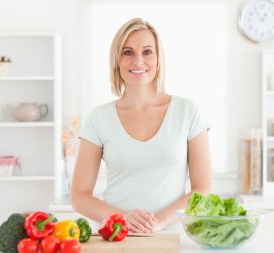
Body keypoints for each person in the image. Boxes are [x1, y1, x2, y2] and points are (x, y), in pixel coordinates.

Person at [71, 17, 212, 233]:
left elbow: (203, 190)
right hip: (116, 237)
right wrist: (122, 219)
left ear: (158, 58)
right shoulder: (99, 118)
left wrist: (159, 222)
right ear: (117, 60)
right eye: (128, 52)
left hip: (171, 237)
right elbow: (79, 197)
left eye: (147, 52)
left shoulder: (187, 111)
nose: (138, 61)